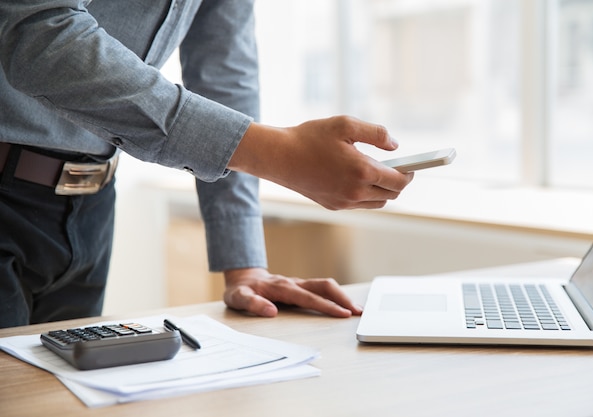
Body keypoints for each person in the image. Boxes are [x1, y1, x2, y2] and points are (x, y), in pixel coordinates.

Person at [0, 0, 413, 328]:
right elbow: (40, 32)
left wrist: (244, 266)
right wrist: (277, 153)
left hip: (92, 207)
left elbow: (226, 75)